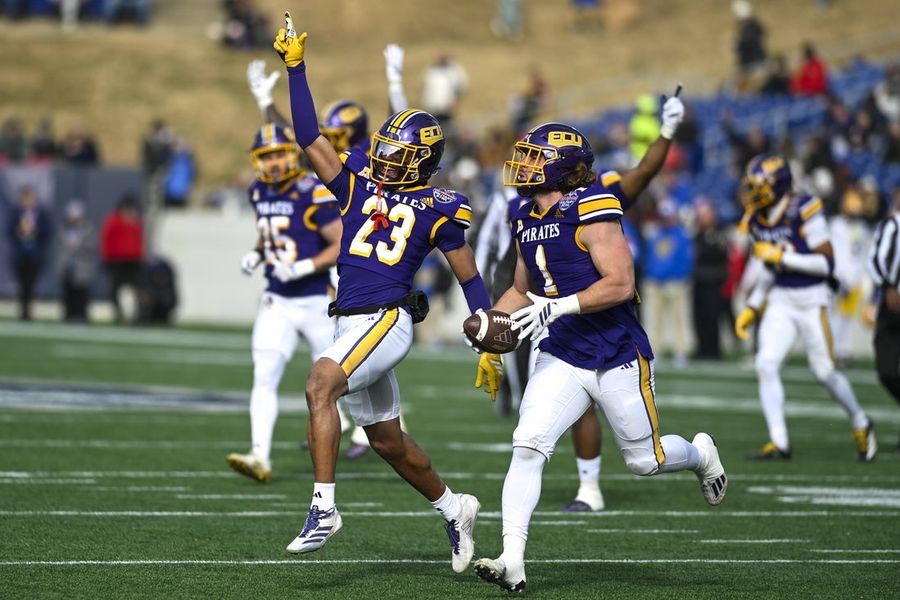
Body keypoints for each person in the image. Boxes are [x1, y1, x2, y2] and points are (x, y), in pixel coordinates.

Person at [273, 21, 500, 572]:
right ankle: (455, 507)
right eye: (387, 147)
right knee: (388, 443)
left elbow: (468, 275)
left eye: (399, 152)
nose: (386, 157)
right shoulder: (356, 181)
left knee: (318, 383)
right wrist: (296, 68)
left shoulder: (442, 206)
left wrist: (490, 335)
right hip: (349, 321)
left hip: (387, 319)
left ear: (422, 162)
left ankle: (324, 508)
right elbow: (309, 138)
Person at [472, 115, 727, 593]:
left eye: (535, 158)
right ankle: (512, 557)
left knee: (644, 460)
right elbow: (522, 289)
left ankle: (699, 455)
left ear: (564, 166)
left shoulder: (594, 207)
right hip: (562, 351)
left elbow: (620, 283)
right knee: (527, 445)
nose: (523, 166)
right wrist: (489, 333)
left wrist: (559, 305)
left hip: (615, 351)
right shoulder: (523, 215)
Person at [247, 55, 410, 461]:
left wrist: (394, 84)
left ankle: (384, 428)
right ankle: (345, 425)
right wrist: (266, 104)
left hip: (364, 264)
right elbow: (300, 136)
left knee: (345, 365)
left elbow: (402, 134)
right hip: (342, 268)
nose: (331, 136)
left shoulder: (369, 162)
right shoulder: (329, 165)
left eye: (339, 132)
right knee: (340, 363)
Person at [734, 154, 876, 461]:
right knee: (765, 364)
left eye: (760, 185)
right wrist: (754, 305)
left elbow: (826, 264)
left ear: (778, 184)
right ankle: (779, 442)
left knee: (825, 372)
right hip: (782, 299)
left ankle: (861, 421)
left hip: (812, 299)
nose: (753, 192)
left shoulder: (805, 208)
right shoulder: (757, 217)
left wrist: (782, 257)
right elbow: (770, 266)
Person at [226, 122, 343, 483]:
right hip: (277, 299)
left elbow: (341, 243)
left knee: (342, 382)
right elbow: (271, 236)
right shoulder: (258, 191)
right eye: (267, 156)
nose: (274, 163)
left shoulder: (312, 191)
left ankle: (375, 433)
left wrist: (307, 265)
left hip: (315, 301)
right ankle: (259, 454)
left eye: (279, 154)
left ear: (292, 154)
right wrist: (257, 253)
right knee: (264, 376)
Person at [867, 191, 900, 449]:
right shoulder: (893, 224)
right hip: (893, 305)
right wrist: (888, 286)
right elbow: (876, 260)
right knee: (886, 370)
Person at [6, 186, 52, 320]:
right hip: (20, 254)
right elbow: (9, 231)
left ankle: (29, 310)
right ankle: (22, 310)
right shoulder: (16, 213)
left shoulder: (41, 214)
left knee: (32, 284)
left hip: (34, 254)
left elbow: (47, 232)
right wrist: (20, 230)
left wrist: (34, 230)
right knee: (21, 284)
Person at [100, 194, 144, 323]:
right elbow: (107, 240)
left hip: (133, 261)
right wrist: (107, 258)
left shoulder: (135, 223)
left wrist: (140, 256)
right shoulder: (114, 221)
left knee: (137, 289)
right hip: (116, 261)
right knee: (115, 289)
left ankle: (138, 314)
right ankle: (120, 314)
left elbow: (139, 241)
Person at [59, 200, 95, 322]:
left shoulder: (88, 230)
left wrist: (79, 246)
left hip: (82, 267)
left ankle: (81, 317)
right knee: (68, 294)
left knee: (81, 294)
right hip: (68, 267)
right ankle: (68, 316)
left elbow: (92, 248)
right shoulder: (64, 230)